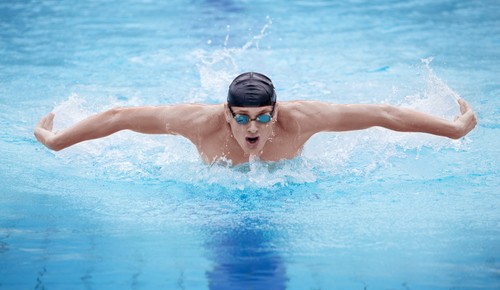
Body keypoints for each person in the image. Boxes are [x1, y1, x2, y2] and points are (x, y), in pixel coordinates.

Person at [35, 72, 477, 166]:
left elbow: (384, 114)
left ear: (277, 113)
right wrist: (56, 141)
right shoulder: (197, 123)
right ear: (226, 115)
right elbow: (120, 117)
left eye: (263, 118)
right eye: (242, 118)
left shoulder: (301, 120)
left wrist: (454, 129)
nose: (252, 128)